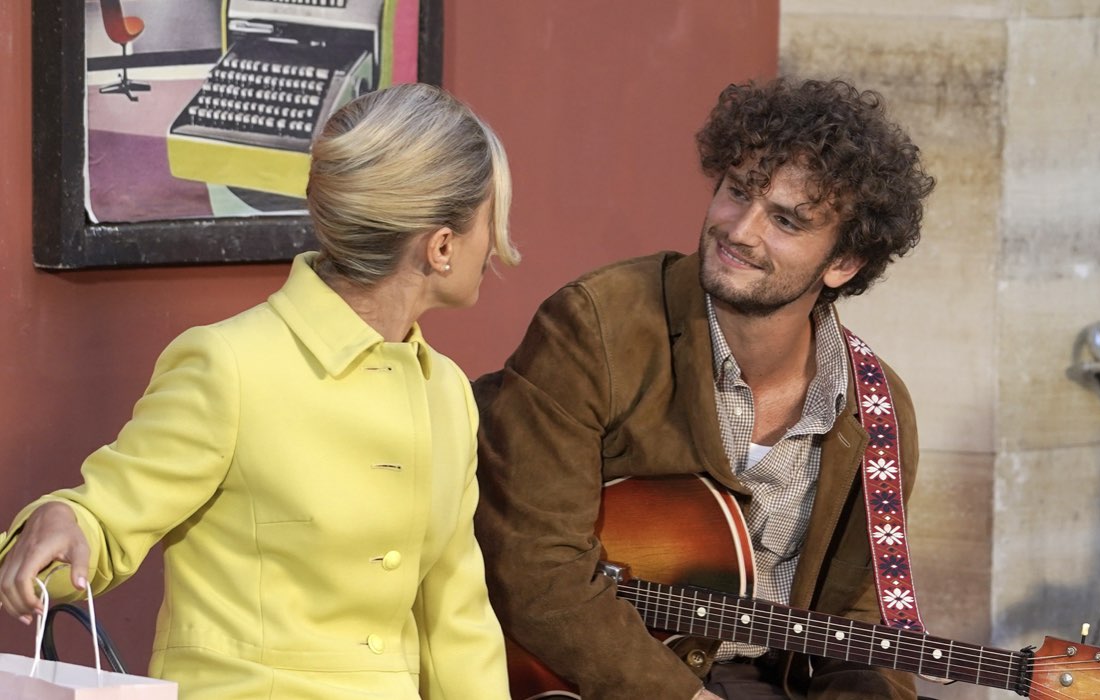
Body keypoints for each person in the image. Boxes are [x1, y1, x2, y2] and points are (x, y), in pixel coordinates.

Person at [0, 83, 517, 700]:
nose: (500, 245)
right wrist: (64, 521)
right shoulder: (230, 365)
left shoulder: (449, 394)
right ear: (441, 246)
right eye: (492, 218)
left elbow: (456, 618)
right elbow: (108, 512)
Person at [474, 76, 935, 700]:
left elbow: (857, 622)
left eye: (786, 221)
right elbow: (534, 564)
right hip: (593, 681)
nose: (741, 230)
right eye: (737, 193)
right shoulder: (596, 325)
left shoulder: (877, 410)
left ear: (844, 263)